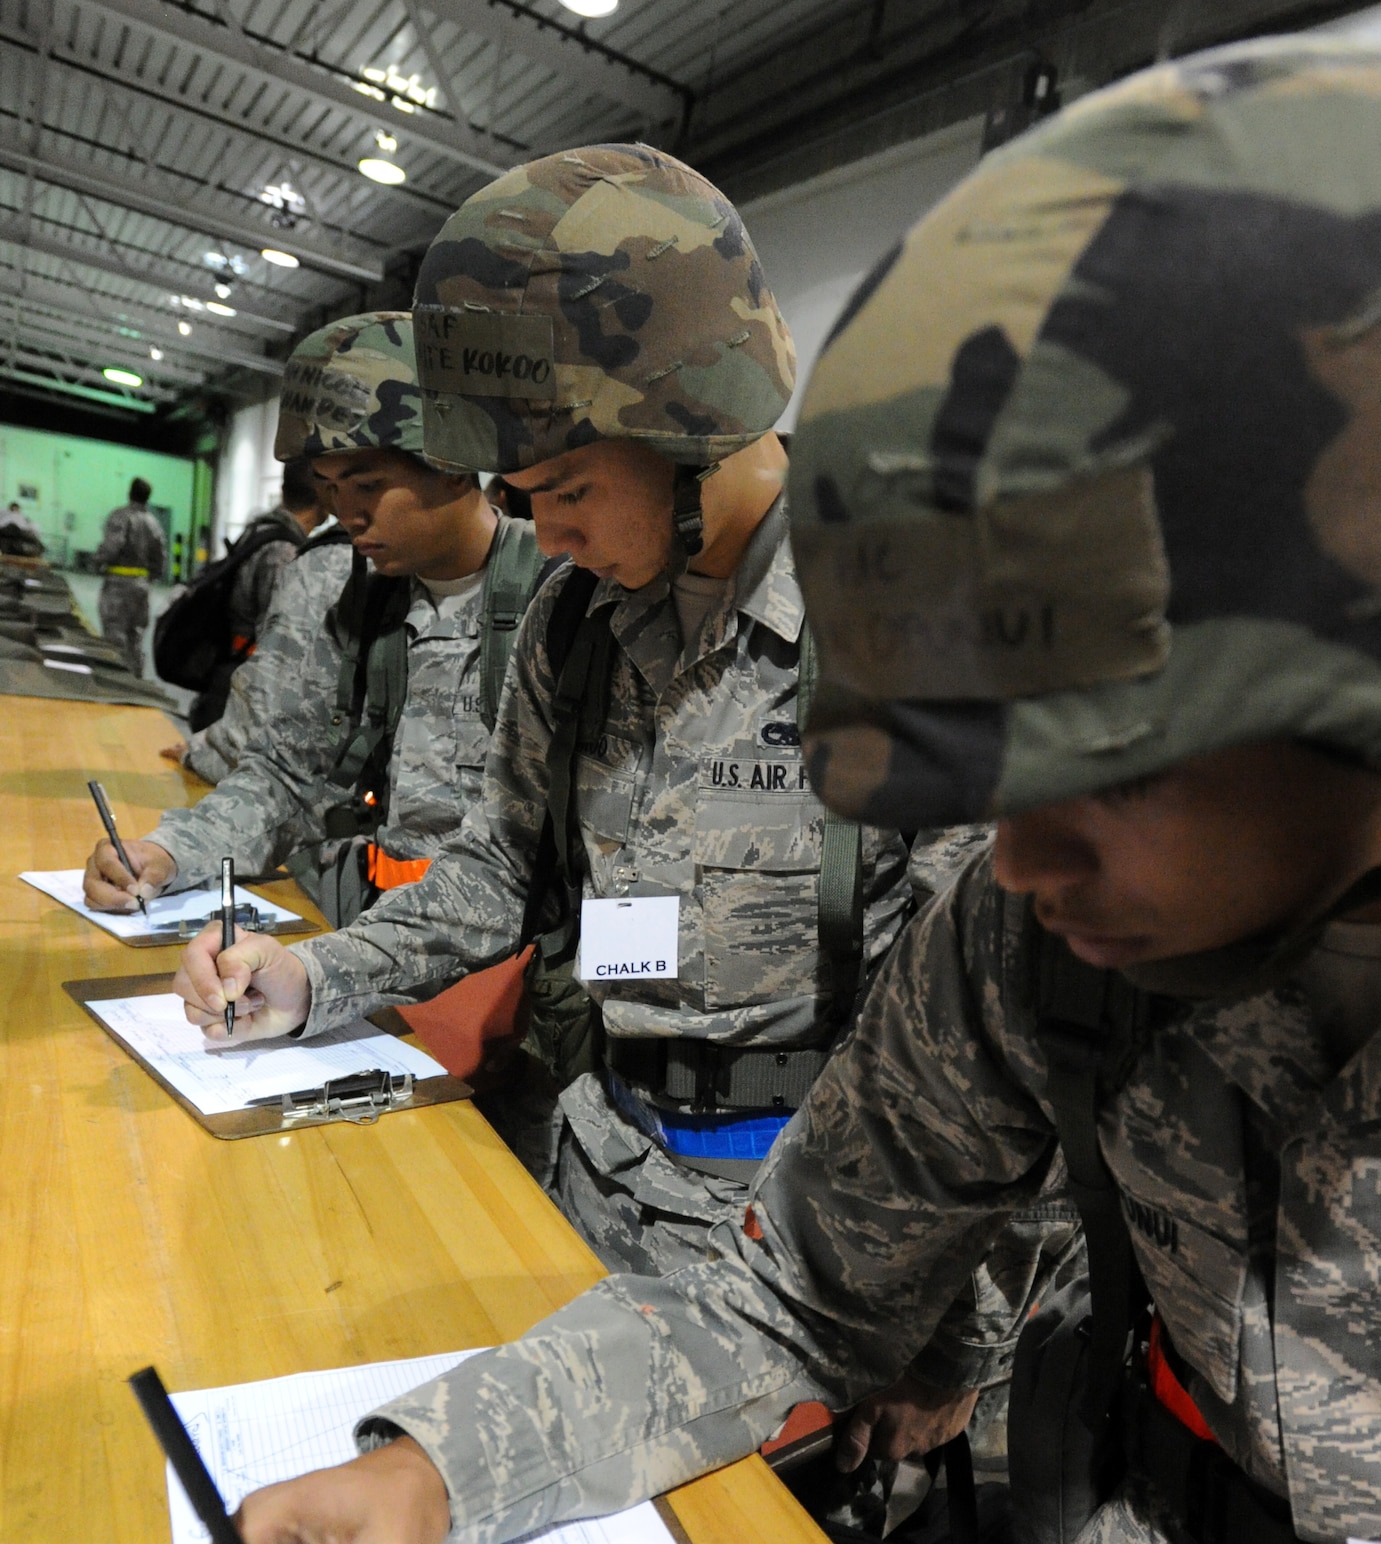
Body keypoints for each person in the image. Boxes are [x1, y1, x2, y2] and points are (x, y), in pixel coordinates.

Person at [160, 42, 1381, 1544]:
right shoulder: (1057, 917)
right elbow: (794, 1287)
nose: (997, 853)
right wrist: (426, 1473)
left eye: (1099, 756)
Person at [165, 147, 1076, 1417]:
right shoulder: (576, 623)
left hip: (807, 1246)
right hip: (589, 1174)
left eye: (574, 490)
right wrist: (316, 974)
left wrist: (940, 1337)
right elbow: (494, 869)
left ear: (696, 427)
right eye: (533, 499)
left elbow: (994, 1038)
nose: (562, 533)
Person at [82, 312, 544, 930]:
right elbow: (289, 777)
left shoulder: (559, 594)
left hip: (503, 967)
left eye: (368, 484)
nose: (347, 514)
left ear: (454, 461)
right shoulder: (344, 589)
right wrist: (169, 853)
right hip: (365, 934)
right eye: (328, 488)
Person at [163, 459, 335, 772]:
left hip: (224, 676)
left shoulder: (260, 530)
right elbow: (279, 639)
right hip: (240, 687)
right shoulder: (283, 551)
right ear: (323, 496)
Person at [94, 477, 165, 674]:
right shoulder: (154, 524)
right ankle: (135, 682)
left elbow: (112, 547)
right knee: (135, 636)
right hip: (141, 586)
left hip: (118, 585)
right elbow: (160, 558)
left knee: (114, 634)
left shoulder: (121, 517)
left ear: (129, 493)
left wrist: (98, 561)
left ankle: (115, 680)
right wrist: (149, 577)